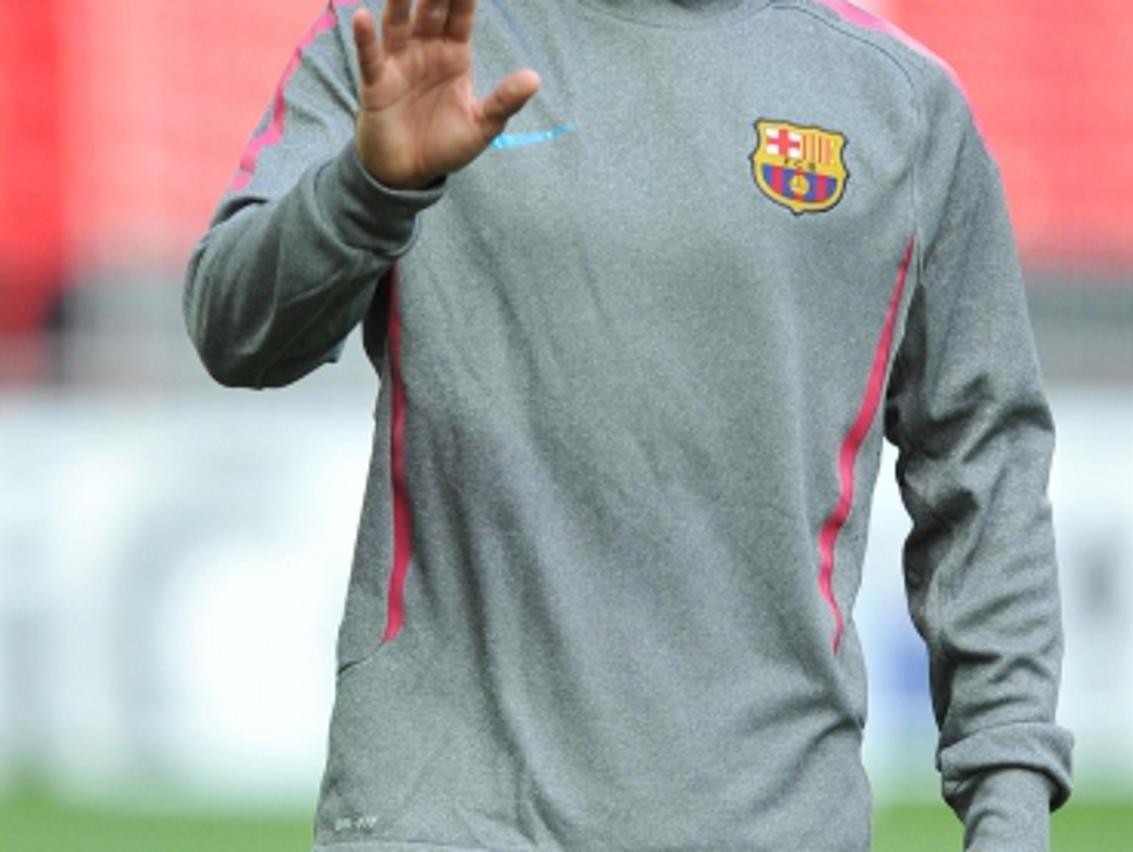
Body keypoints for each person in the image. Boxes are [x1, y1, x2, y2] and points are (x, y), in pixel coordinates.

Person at [184, 1, 1074, 849]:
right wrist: (366, 191)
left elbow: (984, 465)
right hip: (447, 817)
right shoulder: (403, 30)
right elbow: (235, 333)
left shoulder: (901, 103)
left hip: (772, 822)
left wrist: (1010, 802)